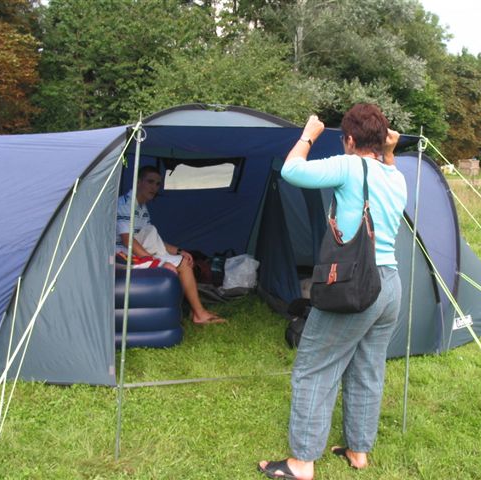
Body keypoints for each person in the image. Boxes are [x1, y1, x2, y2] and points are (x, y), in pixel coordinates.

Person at [258, 104, 407, 480]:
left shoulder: (349, 166)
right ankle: (358, 451)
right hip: (390, 285)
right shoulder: (396, 177)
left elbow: (292, 170)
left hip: (355, 283)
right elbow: (386, 166)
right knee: (368, 368)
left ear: (350, 139)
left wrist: (308, 135)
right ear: (383, 141)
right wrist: (389, 151)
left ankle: (301, 463)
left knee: (314, 368)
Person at [116, 166, 225, 325]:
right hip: (123, 256)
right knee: (175, 266)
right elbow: (128, 241)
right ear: (138, 182)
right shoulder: (124, 204)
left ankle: (196, 311)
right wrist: (156, 262)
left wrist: (180, 251)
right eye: (150, 182)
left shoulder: (142, 208)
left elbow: (155, 240)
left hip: (138, 252)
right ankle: (199, 314)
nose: (154, 188)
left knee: (184, 260)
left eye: (157, 184)